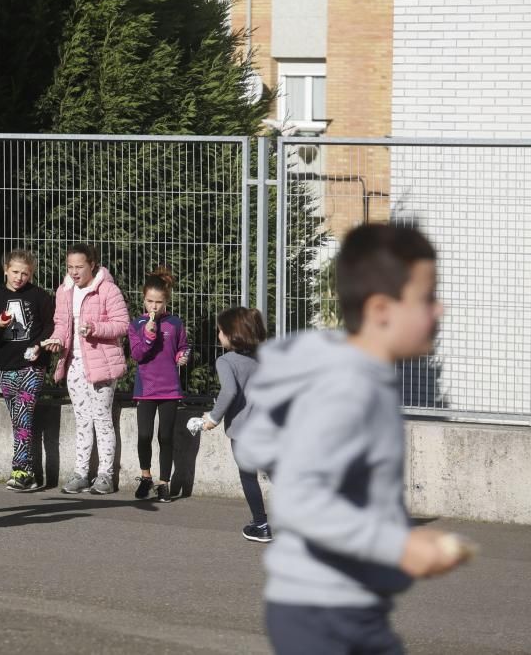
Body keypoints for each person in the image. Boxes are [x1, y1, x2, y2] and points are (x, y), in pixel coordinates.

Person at [234, 223, 466, 654]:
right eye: (428, 298)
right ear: (382, 310)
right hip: (322, 611)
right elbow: (301, 503)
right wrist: (400, 544)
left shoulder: (365, 380)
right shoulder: (348, 390)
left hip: (347, 605)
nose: (440, 310)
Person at [44, 243, 129, 495]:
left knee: (102, 420)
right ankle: (81, 473)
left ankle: (105, 475)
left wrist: (94, 328)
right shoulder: (64, 291)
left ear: (92, 264)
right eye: (69, 267)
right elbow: (61, 323)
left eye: (79, 266)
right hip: (74, 363)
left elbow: (122, 324)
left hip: (101, 363)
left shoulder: (107, 290)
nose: (73, 272)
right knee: (82, 420)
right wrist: (57, 340)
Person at [0, 249, 55, 492]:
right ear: (5, 270)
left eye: (25, 273)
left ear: (31, 274)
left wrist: (38, 345)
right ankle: (29, 473)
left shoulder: (40, 297)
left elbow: (50, 326)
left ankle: (20, 469)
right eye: (15, 272)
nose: (19, 277)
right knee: (19, 420)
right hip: (5, 365)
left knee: (23, 413)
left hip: (32, 365)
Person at [196, 306, 271, 541]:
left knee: (248, 477)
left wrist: (213, 418)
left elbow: (229, 391)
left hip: (243, 431)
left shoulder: (226, 361)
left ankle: (260, 524)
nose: (218, 335)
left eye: (220, 331)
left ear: (233, 334)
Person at [128, 267, 188, 503]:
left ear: (166, 301)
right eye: (150, 301)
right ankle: (145, 476)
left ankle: (164, 482)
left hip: (169, 388)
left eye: (159, 302)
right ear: (144, 299)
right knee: (144, 435)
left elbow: (183, 346)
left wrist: (182, 356)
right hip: (146, 388)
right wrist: (148, 334)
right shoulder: (136, 324)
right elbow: (137, 354)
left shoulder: (175, 323)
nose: (154, 307)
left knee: (165, 436)